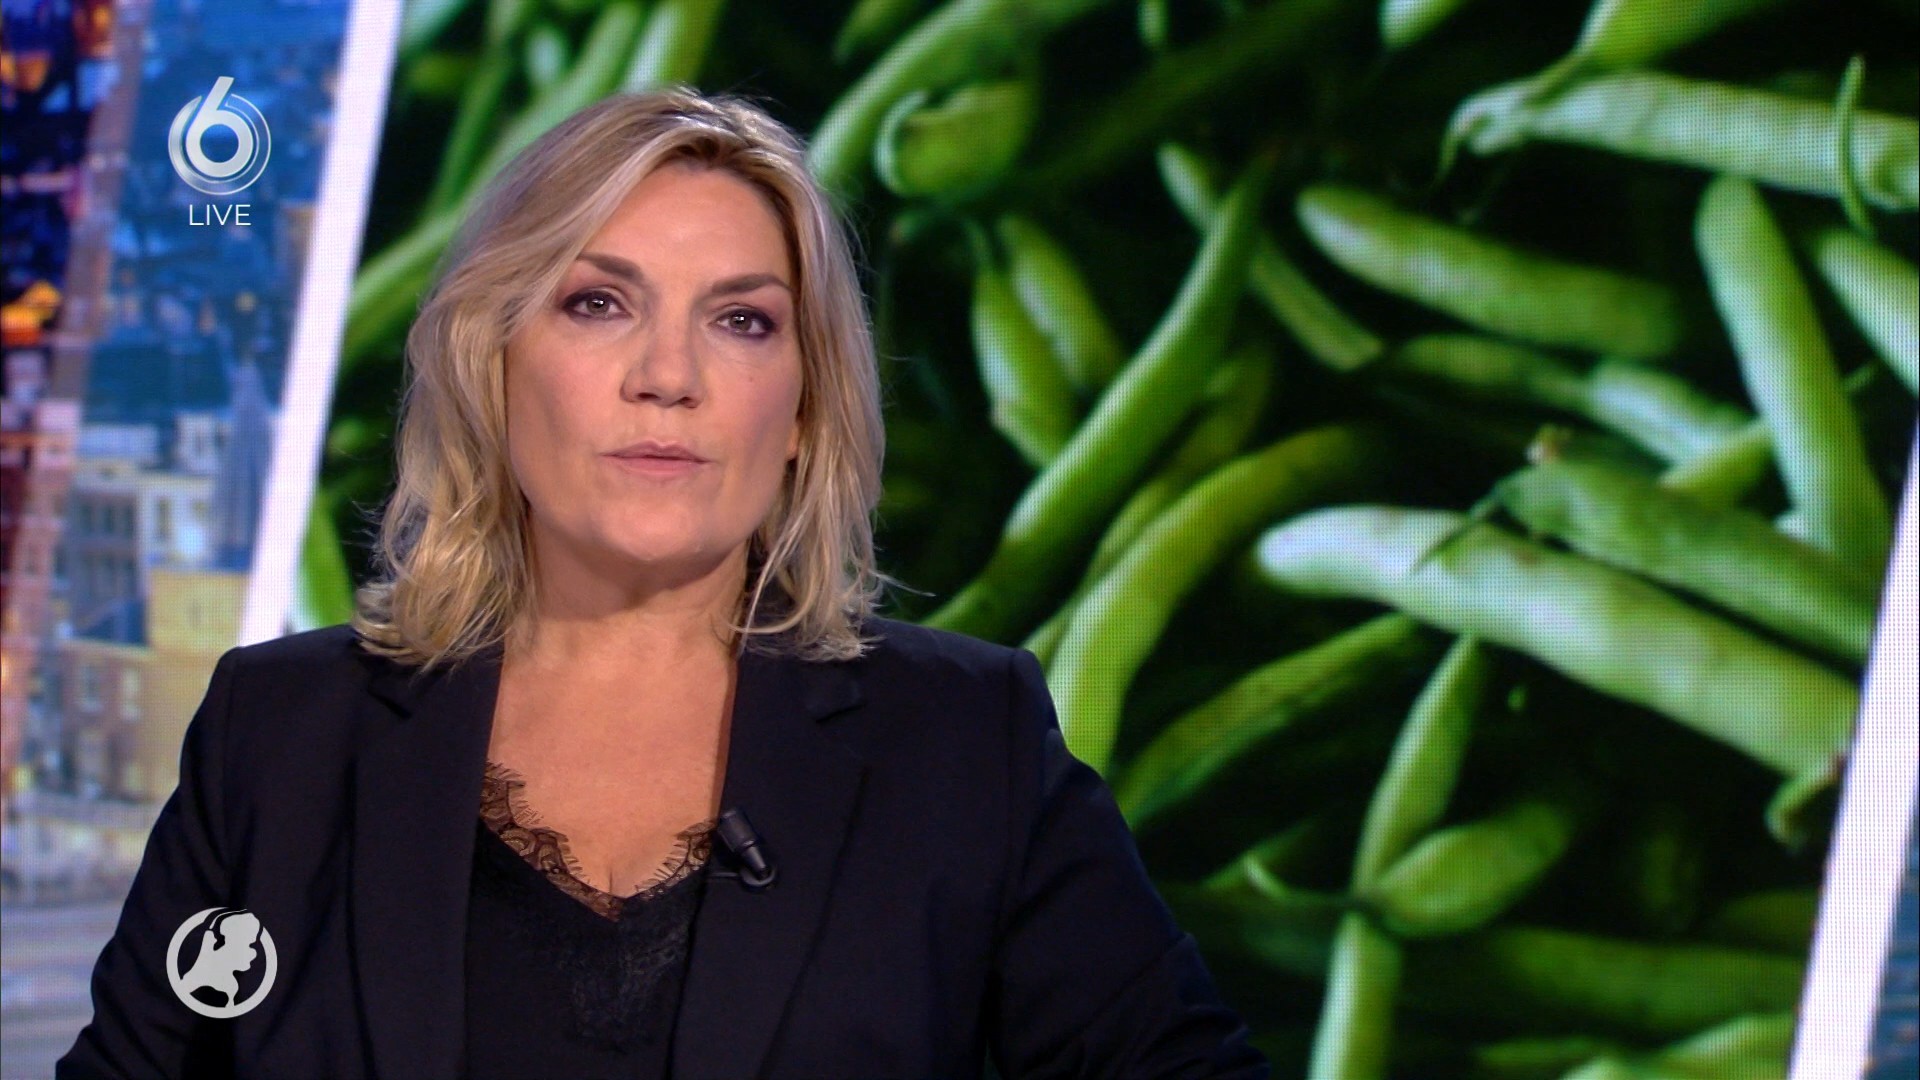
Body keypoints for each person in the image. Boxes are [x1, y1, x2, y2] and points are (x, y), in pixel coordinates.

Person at [57, 86, 1269, 1079]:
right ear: (492, 366)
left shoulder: (966, 741)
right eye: (598, 304)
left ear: (804, 408)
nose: (669, 375)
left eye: (742, 322)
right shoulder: (280, 734)